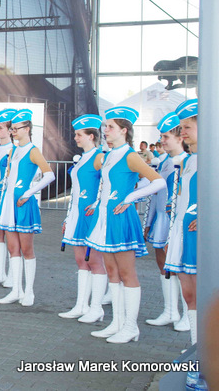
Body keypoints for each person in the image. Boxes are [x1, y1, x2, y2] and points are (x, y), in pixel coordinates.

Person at [84, 106, 165, 343]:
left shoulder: (131, 155)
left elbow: (158, 182)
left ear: (124, 130)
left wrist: (130, 197)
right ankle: (117, 323)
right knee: (112, 272)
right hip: (106, 217)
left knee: (127, 273)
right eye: (105, 126)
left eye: (110, 127)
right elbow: (107, 186)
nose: (105, 130)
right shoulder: (109, 155)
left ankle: (131, 327)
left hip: (121, 218)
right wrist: (99, 202)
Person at [0, 109, 55, 307]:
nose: (13, 132)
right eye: (12, 129)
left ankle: (29, 292)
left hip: (23, 204)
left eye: (16, 129)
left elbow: (49, 175)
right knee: (13, 248)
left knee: (27, 249)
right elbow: (8, 178)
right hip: (9, 202)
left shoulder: (33, 150)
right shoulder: (14, 150)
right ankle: (16, 290)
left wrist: (29, 193)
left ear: (27, 128)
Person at [58, 114, 106, 321]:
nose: (75, 138)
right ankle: (81, 305)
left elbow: (110, 182)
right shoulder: (82, 158)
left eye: (79, 135)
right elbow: (76, 191)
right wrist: (68, 217)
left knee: (94, 260)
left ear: (91, 136)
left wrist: (97, 204)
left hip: (91, 215)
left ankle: (97, 308)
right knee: (80, 260)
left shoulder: (99, 157)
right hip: (77, 213)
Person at [144, 112, 188, 330]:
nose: (161, 141)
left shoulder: (189, 161)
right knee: (164, 265)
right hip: (162, 220)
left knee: (182, 268)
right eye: (161, 136)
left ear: (180, 138)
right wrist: (149, 222)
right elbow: (157, 195)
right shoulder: (165, 162)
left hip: (179, 222)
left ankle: (189, 314)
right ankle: (170, 311)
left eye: (166, 137)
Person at [164, 99, 199, 346]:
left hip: (201, 235)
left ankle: (209, 353)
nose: (182, 132)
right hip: (182, 230)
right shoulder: (187, 160)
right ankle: (197, 348)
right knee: (189, 294)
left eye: (187, 127)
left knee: (205, 295)